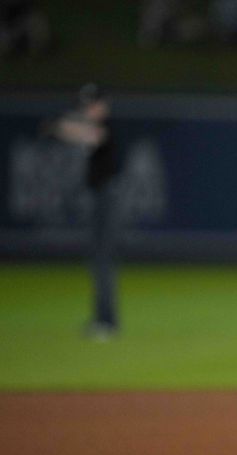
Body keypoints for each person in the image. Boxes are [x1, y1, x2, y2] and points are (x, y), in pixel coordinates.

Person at [51, 84, 120, 339]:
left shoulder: (108, 126)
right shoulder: (93, 125)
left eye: (92, 104)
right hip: (99, 196)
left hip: (107, 197)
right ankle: (102, 319)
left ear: (103, 105)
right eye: (86, 105)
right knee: (98, 261)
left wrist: (63, 126)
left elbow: (90, 135)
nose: (88, 109)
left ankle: (107, 322)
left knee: (102, 260)